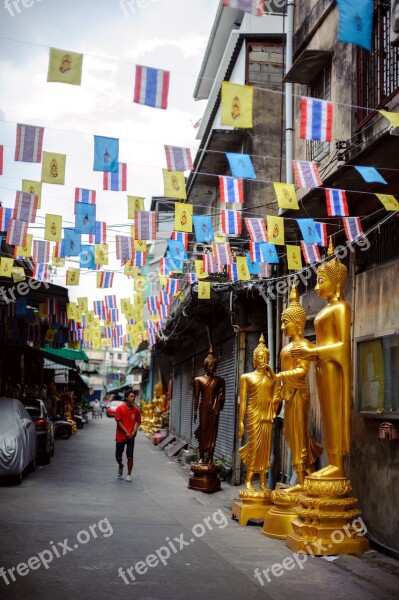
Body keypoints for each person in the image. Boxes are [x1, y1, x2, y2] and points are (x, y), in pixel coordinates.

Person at [290, 239, 351, 479]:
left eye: (321, 281)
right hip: (322, 367)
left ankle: (338, 466)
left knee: (335, 414)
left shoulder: (341, 308)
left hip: (334, 368)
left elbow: (343, 346)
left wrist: (313, 352)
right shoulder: (325, 310)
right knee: (326, 416)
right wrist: (313, 354)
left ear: (336, 283)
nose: (316, 287)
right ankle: (332, 462)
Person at [275, 283, 323, 488]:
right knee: (291, 438)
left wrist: (280, 375)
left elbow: (303, 371)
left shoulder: (304, 346)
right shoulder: (286, 348)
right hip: (287, 396)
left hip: (299, 395)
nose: (283, 327)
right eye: (282, 322)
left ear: (298, 323)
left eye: (286, 322)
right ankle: (306, 480)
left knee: (300, 437)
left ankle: (303, 483)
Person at [238, 335, 279, 491]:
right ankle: (248, 480)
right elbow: (243, 402)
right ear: (254, 359)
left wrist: (273, 378)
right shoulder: (246, 377)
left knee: (265, 449)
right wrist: (241, 421)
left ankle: (262, 482)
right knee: (255, 447)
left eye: (265, 357)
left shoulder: (272, 379)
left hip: (267, 416)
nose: (262, 360)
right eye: (259, 357)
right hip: (253, 414)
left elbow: (277, 396)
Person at [193, 347, 225, 464]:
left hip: (214, 409)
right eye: (209, 365)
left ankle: (210, 457)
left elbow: (222, 395)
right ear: (205, 366)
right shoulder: (198, 380)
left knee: (213, 433)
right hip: (203, 409)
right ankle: (201, 456)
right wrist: (195, 411)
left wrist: (219, 400)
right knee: (203, 431)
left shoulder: (220, 380)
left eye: (213, 365)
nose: (211, 367)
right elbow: (196, 398)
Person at [115, 390, 141, 482]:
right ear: (126, 398)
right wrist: (126, 431)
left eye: (134, 396)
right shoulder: (120, 408)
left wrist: (134, 430)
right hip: (121, 436)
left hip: (131, 437)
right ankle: (121, 465)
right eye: (131, 396)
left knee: (130, 456)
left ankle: (129, 474)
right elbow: (118, 421)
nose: (132, 398)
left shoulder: (136, 410)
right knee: (118, 456)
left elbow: (138, 421)